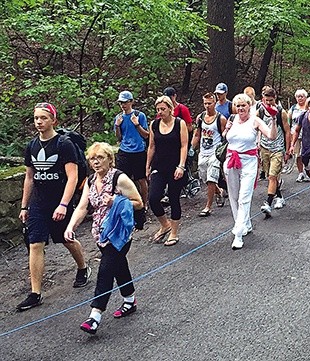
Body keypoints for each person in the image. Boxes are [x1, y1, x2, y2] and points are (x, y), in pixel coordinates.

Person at [17, 102, 90, 312]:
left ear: (53, 120)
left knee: (65, 238)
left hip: (59, 201)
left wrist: (64, 204)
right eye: (36, 118)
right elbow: (29, 177)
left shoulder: (63, 144)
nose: (39, 122)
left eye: (43, 118)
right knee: (35, 244)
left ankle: (83, 268)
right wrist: (24, 206)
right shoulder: (31, 146)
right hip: (38, 203)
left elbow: (72, 177)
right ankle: (35, 293)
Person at [64, 142, 143, 335]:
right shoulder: (91, 181)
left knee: (106, 269)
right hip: (100, 233)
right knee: (118, 267)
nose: (96, 162)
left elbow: (139, 202)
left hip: (120, 233)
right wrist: (70, 226)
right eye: (93, 158)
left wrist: (117, 200)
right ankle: (130, 300)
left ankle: (95, 315)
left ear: (110, 159)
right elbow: (83, 207)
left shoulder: (119, 178)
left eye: (100, 158)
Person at [223, 94, 277, 250]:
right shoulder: (232, 119)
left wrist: (273, 120)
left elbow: (271, 136)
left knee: (244, 197)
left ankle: (238, 234)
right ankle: (245, 223)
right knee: (233, 196)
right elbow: (226, 138)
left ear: (249, 106)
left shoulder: (255, 120)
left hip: (248, 162)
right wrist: (226, 130)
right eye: (238, 106)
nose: (241, 109)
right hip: (231, 161)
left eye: (243, 106)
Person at [146, 96, 188, 246]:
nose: (160, 112)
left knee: (173, 197)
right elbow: (151, 146)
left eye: (163, 109)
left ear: (170, 109)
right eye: (158, 109)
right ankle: (165, 224)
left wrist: (181, 166)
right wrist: (147, 166)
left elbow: (184, 146)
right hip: (159, 165)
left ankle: (174, 233)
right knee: (153, 197)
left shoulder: (179, 124)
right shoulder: (154, 125)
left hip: (175, 166)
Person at [191, 93, 228, 217]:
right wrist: (191, 148)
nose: (207, 106)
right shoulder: (200, 117)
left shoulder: (221, 118)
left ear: (214, 103)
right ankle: (219, 191)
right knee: (204, 176)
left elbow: (225, 136)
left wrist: (224, 152)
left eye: (210, 103)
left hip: (215, 152)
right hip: (203, 151)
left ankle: (208, 206)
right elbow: (197, 134)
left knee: (211, 179)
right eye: (205, 103)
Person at [256, 86, 291, 214]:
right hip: (265, 147)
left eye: (270, 100)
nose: (268, 103)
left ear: (274, 98)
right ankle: (280, 197)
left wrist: (288, 150)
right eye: (266, 100)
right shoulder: (259, 111)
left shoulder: (281, 112)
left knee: (272, 175)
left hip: (277, 148)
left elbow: (287, 132)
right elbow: (256, 127)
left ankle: (268, 202)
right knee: (269, 176)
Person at [114, 91, 149, 207]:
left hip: (138, 151)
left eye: (125, 102)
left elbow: (146, 135)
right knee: (122, 179)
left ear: (131, 102)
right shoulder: (118, 117)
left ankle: (144, 204)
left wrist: (137, 124)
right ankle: (125, 204)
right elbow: (118, 137)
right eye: (121, 103)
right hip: (124, 151)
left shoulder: (140, 116)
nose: (123, 105)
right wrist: (118, 126)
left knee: (141, 179)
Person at [289, 89, 310, 182]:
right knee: (297, 155)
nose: (300, 98)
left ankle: (308, 171)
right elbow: (288, 121)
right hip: (295, 134)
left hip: (307, 134)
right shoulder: (293, 108)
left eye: (302, 96)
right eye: (298, 96)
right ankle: (301, 173)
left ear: (306, 97)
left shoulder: (309, 108)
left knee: (306, 154)